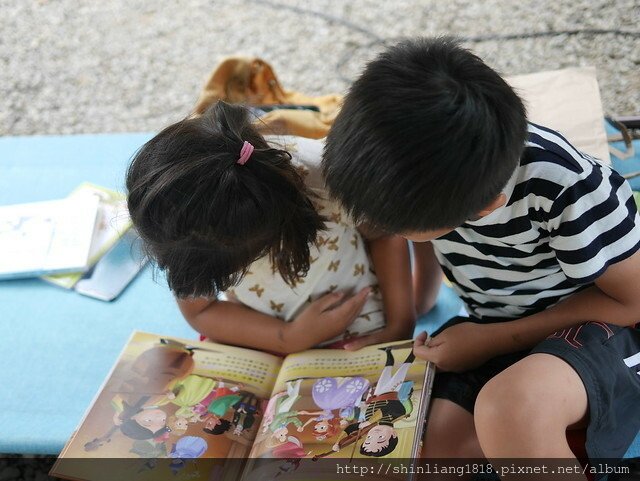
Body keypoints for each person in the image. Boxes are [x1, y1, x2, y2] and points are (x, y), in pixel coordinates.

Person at [322, 37, 640, 475]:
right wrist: (416, 307)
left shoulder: (568, 188)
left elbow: (632, 303)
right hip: (497, 328)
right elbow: (430, 237)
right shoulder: (440, 180)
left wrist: (490, 340)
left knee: (510, 409)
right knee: (432, 445)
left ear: (484, 208)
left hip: (600, 329)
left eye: (397, 227)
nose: (387, 232)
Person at [126, 101, 416, 354]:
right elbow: (201, 310)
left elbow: (386, 234)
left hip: (358, 322)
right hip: (261, 333)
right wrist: (288, 338)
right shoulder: (184, 228)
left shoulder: (330, 179)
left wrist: (401, 323)